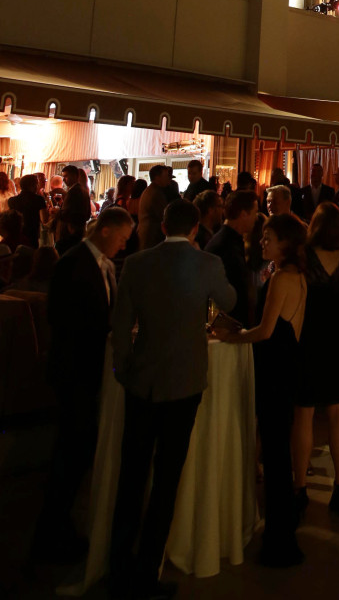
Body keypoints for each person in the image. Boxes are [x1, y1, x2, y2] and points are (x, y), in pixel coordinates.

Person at [109, 200, 236, 599]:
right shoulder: (208, 265)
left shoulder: (137, 263)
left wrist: (123, 369)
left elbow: (119, 321)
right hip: (184, 385)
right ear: (195, 228)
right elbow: (229, 302)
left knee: (131, 476)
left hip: (143, 381)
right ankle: (147, 572)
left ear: (162, 225)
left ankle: (117, 567)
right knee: (166, 480)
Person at [34, 207, 133, 563]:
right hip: (74, 371)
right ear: (105, 231)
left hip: (87, 370)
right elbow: (62, 319)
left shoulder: (99, 264)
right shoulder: (74, 263)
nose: (123, 247)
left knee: (76, 451)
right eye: (121, 239)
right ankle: (52, 532)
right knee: (70, 452)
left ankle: (59, 527)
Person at [215, 213, 307, 567]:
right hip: (286, 365)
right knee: (276, 449)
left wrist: (234, 336)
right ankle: (281, 529)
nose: (262, 242)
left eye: (268, 237)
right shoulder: (295, 276)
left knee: (274, 452)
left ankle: (279, 535)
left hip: (275, 368)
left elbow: (266, 330)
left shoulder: (284, 277)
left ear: (284, 242)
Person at [292, 203, 339, 515]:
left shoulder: (304, 257)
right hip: (338, 339)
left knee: (304, 413)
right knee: (337, 413)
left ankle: (300, 487)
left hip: (308, 338)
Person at [206, 189, 260, 327]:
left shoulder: (230, 240)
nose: (256, 217)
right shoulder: (225, 245)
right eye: (254, 212)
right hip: (229, 324)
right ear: (243, 214)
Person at [137, 165, 174, 250]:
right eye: (165, 176)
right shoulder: (156, 193)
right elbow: (164, 215)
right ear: (157, 177)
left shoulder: (150, 190)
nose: (168, 178)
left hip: (146, 234)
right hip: (151, 236)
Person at [8, 173, 49, 249]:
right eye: (37, 184)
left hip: (16, 234)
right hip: (32, 235)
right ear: (32, 185)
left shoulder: (12, 201)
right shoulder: (39, 200)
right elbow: (44, 219)